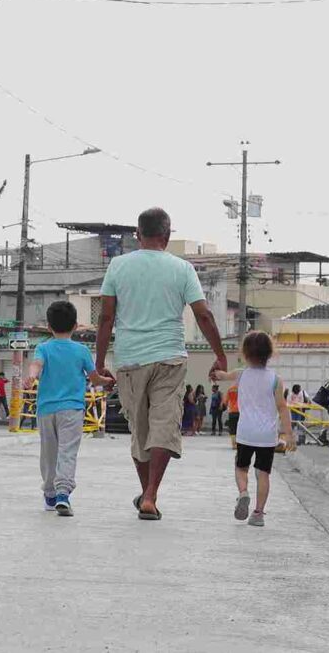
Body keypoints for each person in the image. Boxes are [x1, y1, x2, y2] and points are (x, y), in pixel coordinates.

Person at [96, 208, 227, 521]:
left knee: (141, 432)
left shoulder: (117, 266)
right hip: (169, 358)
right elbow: (204, 315)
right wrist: (219, 355)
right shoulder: (182, 269)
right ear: (167, 237)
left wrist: (100, 362)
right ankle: (150, 495)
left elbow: (105, 317)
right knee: (164, 426)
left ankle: (148, 494)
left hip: (129, 360)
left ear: (137, 235)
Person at [27, 301, 113, 517]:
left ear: (49, 327)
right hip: (72, 410)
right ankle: (63, 494)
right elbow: (95, 379)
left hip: (46, 409)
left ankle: (50, 494)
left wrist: (31, 377)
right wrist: (109, 380)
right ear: (75, 326)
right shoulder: (82, 351)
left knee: (49, 453)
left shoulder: (43, 348)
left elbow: (36, 365)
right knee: (67, 452)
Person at [213, 331, 296, 527]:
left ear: (245, 353)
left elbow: (222, 376)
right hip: (267, 435)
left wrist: (216, 371)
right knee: (263, 473)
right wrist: (289, 434)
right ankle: (258, 514)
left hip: (245, 432)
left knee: (241, 468)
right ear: (269, 353)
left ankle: (243, 493)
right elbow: (282, 407)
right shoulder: (276, 379)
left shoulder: (241, 374)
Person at [225, 383, 240, 449]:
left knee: (233, 428)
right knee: (239, 428)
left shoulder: (230, 389)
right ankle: (239, 444)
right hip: (240, 411)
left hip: (231, 411)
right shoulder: (241, 388)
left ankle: (234, 445)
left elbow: (225, 400)